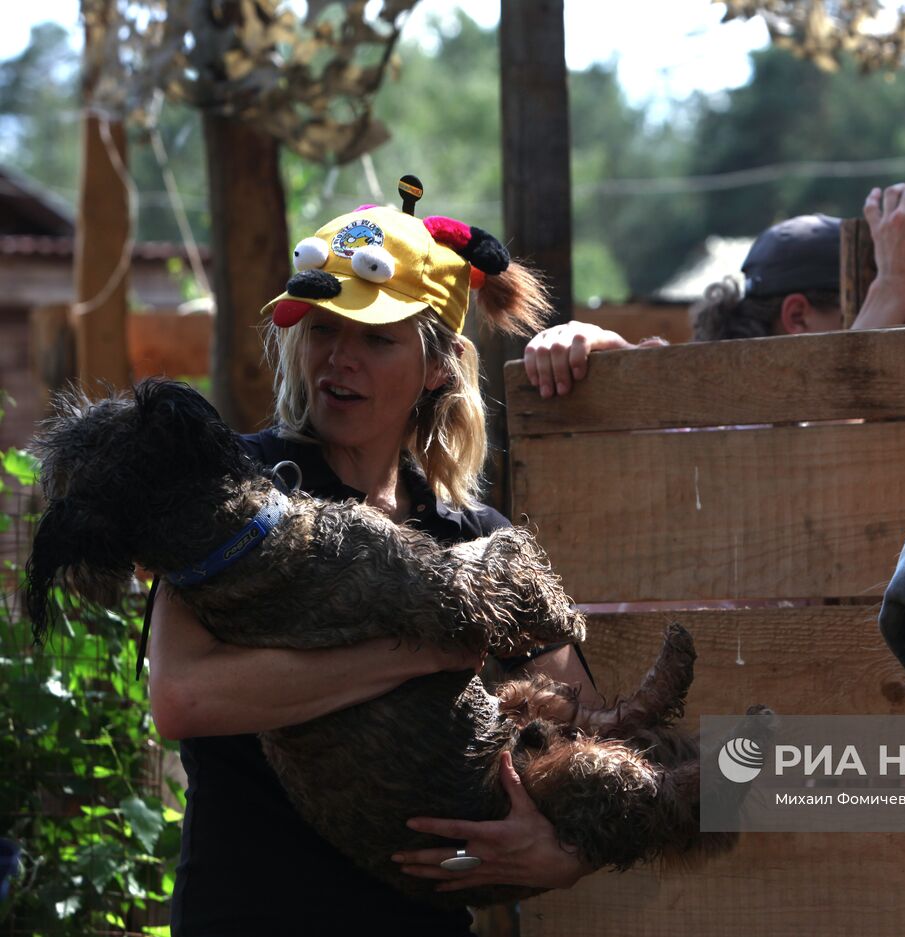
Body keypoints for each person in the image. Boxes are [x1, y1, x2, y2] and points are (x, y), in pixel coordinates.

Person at [147, 201, 597, 936]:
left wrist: (559, 852)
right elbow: (184, 695)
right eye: (324, 330)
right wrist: (420, 651)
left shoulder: (475, 537)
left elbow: (583, 728)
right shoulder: (237, 491)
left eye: (376, 339)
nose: (339, 358)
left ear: (436, 365)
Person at [523, 181, 905, 397]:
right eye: (873, 311)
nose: (897, 331)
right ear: (797, 317)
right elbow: (823, 433)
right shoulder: (710, 418)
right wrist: (596, 351)